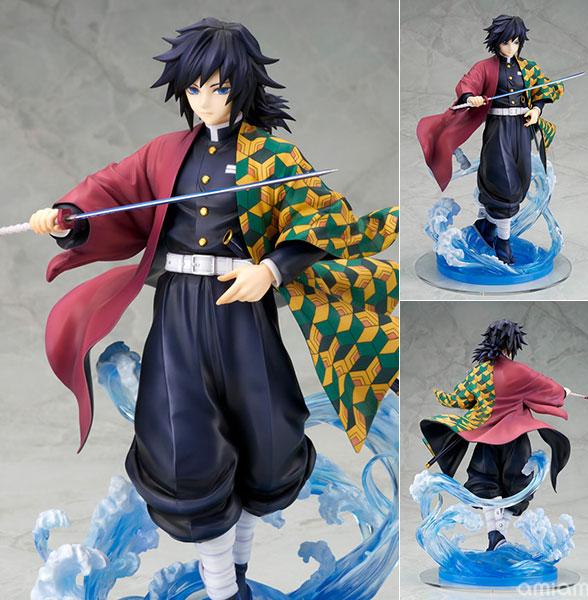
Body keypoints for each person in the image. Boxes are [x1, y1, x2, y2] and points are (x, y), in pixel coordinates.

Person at [29, 18, 398, 600]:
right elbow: (112, 191)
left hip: (243, 312)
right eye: (195, 88)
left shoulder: (273, 155)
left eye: (219, 87)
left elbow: (321, 220)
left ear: (241, 86)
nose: (205, 100)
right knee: (184, 440)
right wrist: (67, 218)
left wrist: (270, 269)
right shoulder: (166, 153)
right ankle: (222, 587)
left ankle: (239, 577)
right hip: (179, 312)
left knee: (263, 433)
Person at [420, 320, 587, 552]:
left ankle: (495, 535)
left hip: (487, 440)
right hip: (515, 440)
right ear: (512, 344)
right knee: (518, 485)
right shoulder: (519, 371)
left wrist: (441, 396)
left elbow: (459, 399)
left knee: (484, 481)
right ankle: (499, 535)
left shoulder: (478, 372)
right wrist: (565, 392)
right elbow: (548, 387)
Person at [417, 15, 563, 264]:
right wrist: (470, 97)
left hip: (522, 129)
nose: (511, 47)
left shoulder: (528, 67)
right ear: (496, 42)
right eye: (506, 42)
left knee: (521, 180)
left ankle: (485, 226)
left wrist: (537, 110)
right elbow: (468, 84)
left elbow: (543, 89)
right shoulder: (485, 67)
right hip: (498, 130)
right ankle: (502, 242)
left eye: (515, 42)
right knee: (504, 182)